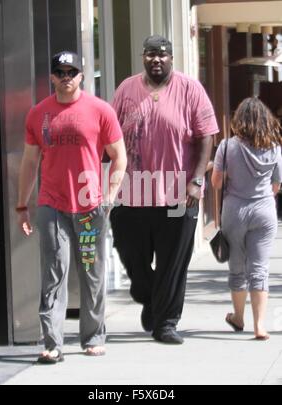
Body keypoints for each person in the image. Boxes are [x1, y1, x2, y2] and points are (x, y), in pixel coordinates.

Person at [16, 51, 127, 362]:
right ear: (52, 77)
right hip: (52, 205)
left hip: (90, 208)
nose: (66, 76)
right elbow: (29, 161)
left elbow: (119, 156)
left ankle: (93, 336)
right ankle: (52, 343)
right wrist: (21, 205)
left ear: (81, 75)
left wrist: (109, 195)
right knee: (53, 272)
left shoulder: (100, 110)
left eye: (71, 71)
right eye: (60, 72)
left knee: (91, 271)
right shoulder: (38, 113)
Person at [110, 35, 219, 344]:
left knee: (173, 262)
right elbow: (111, 135)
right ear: (143, 58)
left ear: (171, 58)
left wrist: (197, 180)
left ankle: (166, 323)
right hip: (132, 192)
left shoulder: (190, 89)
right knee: (130, 252)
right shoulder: (126, 89)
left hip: (178, 194)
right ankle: (149, 295)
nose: (156, 59)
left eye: (162, 55)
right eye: (150, 54)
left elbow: (206, 137)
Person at [212, 97, 282, 340]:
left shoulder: (227, 146)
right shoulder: (274, 147)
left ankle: (238, 317)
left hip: (235, 211)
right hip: (264, 210)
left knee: (237, 268)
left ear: (238, 119)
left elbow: (217, 183)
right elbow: (276, 186)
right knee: (260, 269)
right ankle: (259, 325)